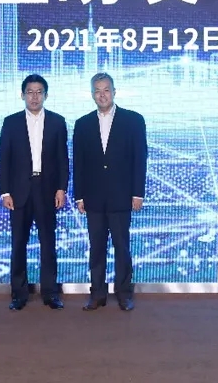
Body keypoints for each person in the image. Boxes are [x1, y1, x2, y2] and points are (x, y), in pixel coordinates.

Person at [73, 72, 148, 311]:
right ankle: (97, 294)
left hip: (122, 195)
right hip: (93, 198)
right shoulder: (82, 124)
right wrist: (79, 195)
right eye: (97, 90)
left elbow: (140, 159)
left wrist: (137, 193)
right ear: (92, 94)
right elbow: (79, 163)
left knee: (121, 247)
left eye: (106, 90)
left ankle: (124, 293)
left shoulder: (133, 120)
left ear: (114, 92)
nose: (102, 95)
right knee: (96, 248)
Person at [0, 74, 68, 311]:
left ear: (46, 95)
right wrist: (5, 192)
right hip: (19, 192)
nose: (34, 97)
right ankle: (19, 294)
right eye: (30, 92)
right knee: (18, 243)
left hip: (47, 190)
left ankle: (50, 293)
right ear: (22, 95)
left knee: (48, 243)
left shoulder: (57, 122)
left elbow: (62, 159)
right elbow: (4, 160)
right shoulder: (11, 123)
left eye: (39, 92)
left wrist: (61, 188)